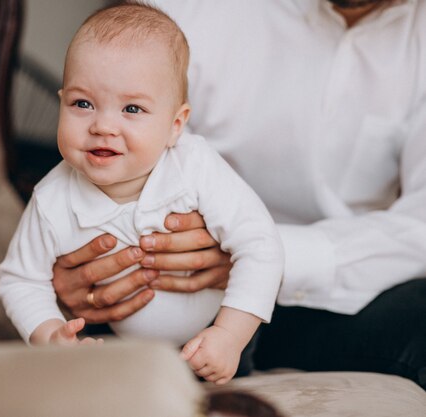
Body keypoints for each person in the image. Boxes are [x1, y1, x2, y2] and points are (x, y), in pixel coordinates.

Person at [51, 0, 426, 389]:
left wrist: (256, 254)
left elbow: (421, 223)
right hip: (162, 281)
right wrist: (63, 280)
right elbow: (95, 145)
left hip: (340, 294)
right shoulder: (182, 14)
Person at [0, 3, 284, 384]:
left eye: (131, 108)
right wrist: (49, 333)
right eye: (82, 103)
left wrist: (230, 335)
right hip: (119, 344)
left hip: (218, 330)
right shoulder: (52, 199)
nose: (103, 125)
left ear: (174, 125)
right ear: (62, 101)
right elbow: (20, 280)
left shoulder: (195, 165)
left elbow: (261, 244)